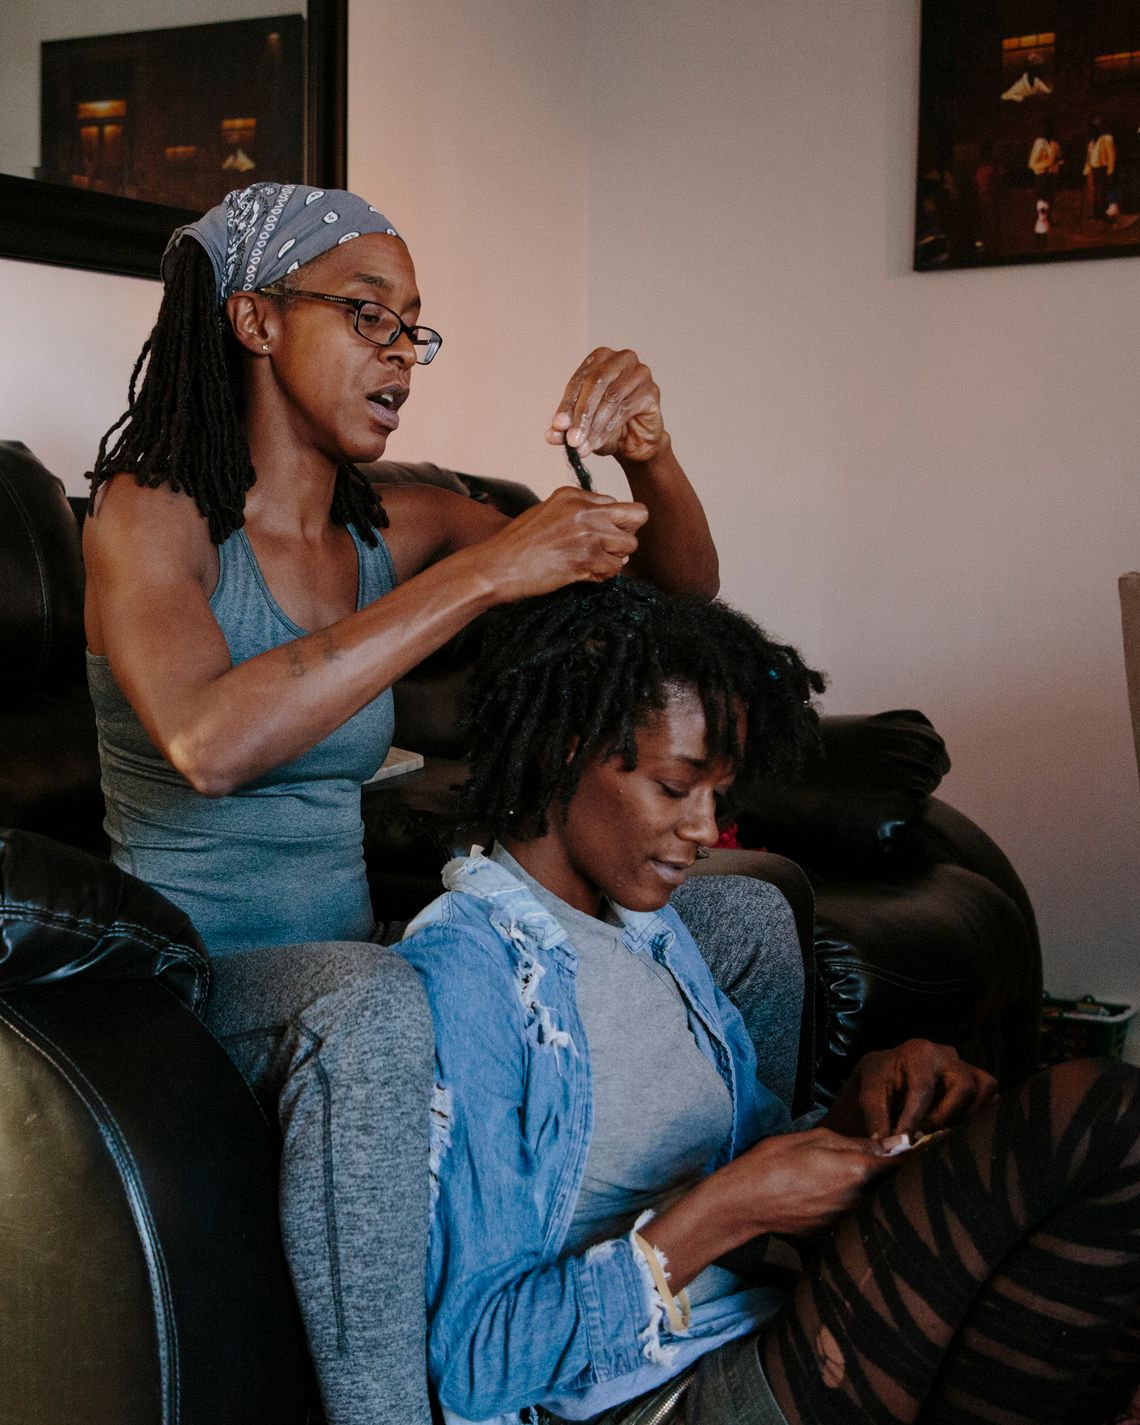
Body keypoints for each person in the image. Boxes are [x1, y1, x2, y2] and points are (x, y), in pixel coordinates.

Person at [82, 180, 721, 1425]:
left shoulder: (402, 522)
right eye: (367, 314)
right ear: (256, 320)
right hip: (193, 984)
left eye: (413, 326)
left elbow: (671, 605)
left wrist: (649, 447)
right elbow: (210, 741)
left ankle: (666, 1349)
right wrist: (485, 573)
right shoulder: (146, 514)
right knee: (374, 1002)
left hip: (354, 964)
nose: (400, 353)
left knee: (727, 913)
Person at [397, 577, 1140, 1425]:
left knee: (1092, 1150)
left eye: (719, 794)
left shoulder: (651, 933)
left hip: (770, 1317)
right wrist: (727, 1211)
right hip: (646, 1396)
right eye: (676, 789)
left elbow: (750, 1155)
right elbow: (477, 1362)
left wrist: (861, 1114)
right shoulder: (472, 970)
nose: (708, 830)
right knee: (1099, 1120)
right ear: (565, 749)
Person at [1028, 124, 1062, 236]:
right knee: (1042, 200)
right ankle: (1041, 224)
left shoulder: (1054, 145)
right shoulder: (1039, 143)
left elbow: (1060, 159)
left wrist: (1057, 165)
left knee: (1050, 199)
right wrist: (1046, 165)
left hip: (1052, 176)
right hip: (1042, 175)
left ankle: (1048, 221)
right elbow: (1032, 163)